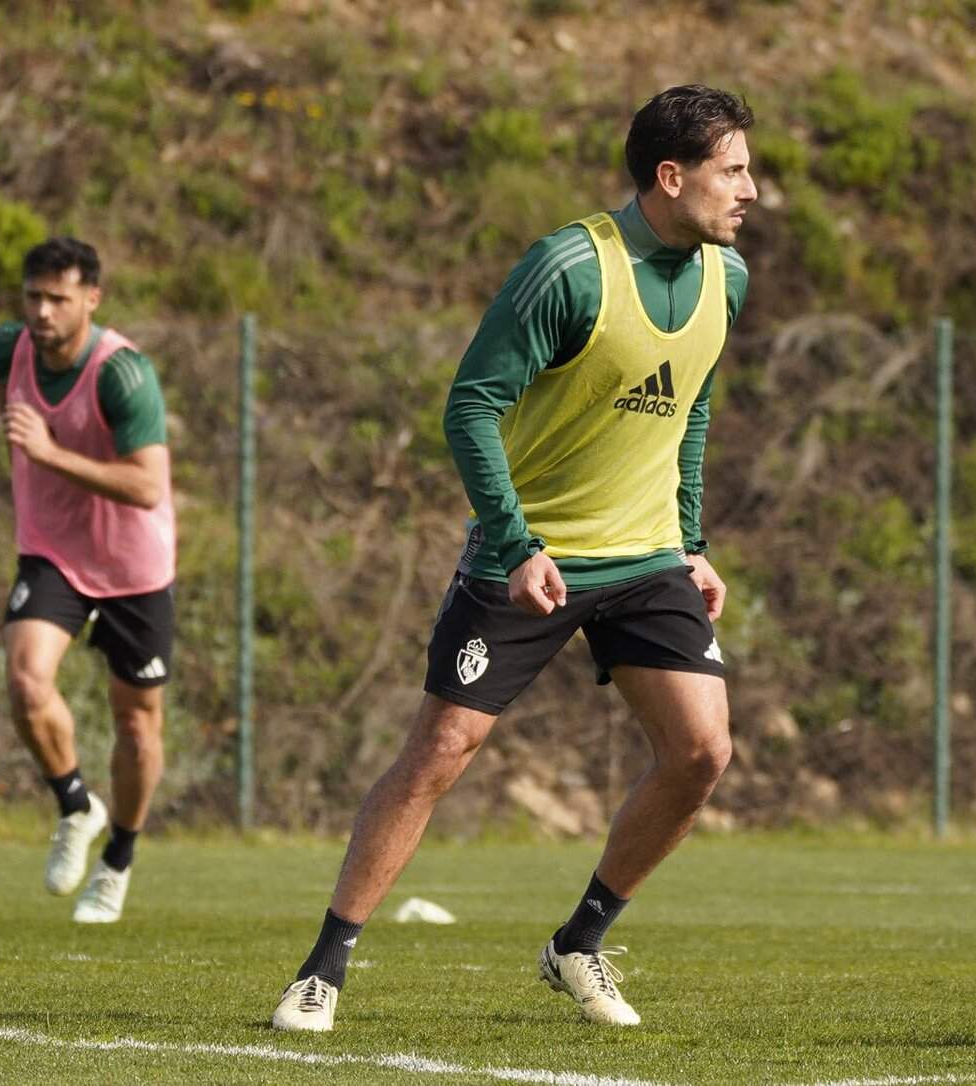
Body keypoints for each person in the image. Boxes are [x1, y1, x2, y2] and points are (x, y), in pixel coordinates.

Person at [272, 84, 757, 1031]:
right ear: (671, 176)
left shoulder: (727, 279)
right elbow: (472, 406)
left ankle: (579, 944)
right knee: (440, 752)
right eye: (732, 171)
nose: (750, 191)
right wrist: (515, 543)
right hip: (533, 558)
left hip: (647, 558)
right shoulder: (569, 268)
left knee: (702, 751)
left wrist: (690, 541)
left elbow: (691, 405)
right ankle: (323, 968)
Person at [0, 236, 176, 925]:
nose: (42, 311)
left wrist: (49, 453)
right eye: (33, 296)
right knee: (25, 680)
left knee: (137, 725)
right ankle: (75, 805)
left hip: (133, 567)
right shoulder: (6, 350)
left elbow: (147, 485)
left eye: (59, 299)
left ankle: (118, 859)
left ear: (91, 299)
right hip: (52, 553)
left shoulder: (123, 374)